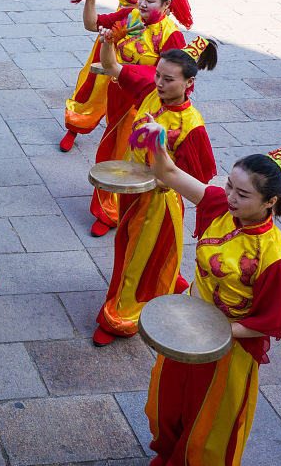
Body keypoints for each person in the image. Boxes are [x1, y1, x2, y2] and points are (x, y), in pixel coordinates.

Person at [145, 139, 281, 466]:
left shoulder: (272, 256)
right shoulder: (218, 205)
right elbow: (169, 173)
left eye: (243, 195)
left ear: (270, 201)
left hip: (227, 348)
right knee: (170, 402)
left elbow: (278, 320)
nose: (230, 197)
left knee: (211, 428)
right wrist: (155, 142)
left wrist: (219, 329)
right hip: (186, 328)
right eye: (229, 186)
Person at [91, 35, 216, 346]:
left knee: (137, 259)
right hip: (133, 194)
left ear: (189, 83)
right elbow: (113, 67)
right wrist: (108, 42)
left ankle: (121, 318)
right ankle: (167, 279)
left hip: (159, 205)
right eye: (158, 74)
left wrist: (156, 174)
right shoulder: (150, 92)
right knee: (127, 249)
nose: (159, 82)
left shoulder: (191, 126)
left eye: (168, 79)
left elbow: (196, 183)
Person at [61, 0, 193, 153]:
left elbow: (176, 14)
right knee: (91, 85)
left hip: (145, 40)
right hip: (117, 30)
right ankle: (75, 126)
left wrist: (157, 28)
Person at [75, 0, 187, 235]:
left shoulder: (171, 36)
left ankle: (111, 211)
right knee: (112, 146)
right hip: (117, 94)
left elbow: (176, 81)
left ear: (167, 5)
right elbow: (92, 24)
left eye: (150, 1)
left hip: (142, 104)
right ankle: (113, 204)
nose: (143, 5)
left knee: (123, 155)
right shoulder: (130, 16)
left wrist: (133, 75)